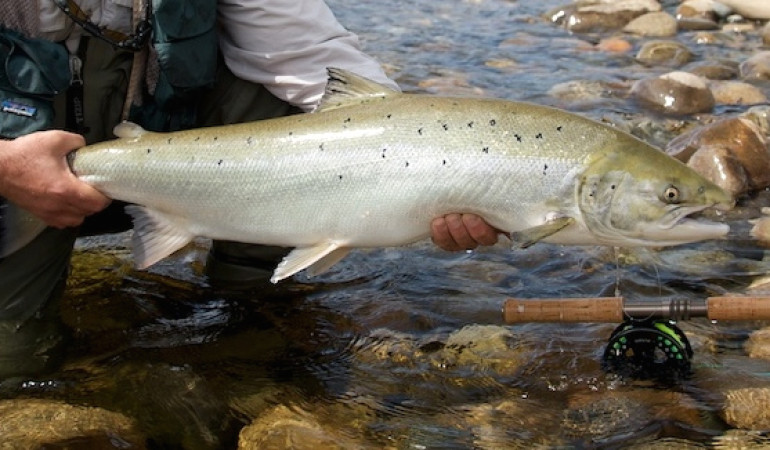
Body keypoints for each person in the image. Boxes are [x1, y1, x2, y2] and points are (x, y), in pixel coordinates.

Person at [0, 0, 499, 378]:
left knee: (286, 100)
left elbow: (305, 53)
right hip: (15, 157)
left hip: (156, 162)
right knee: (15, 362)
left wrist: (428, 165)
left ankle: (250, 302)